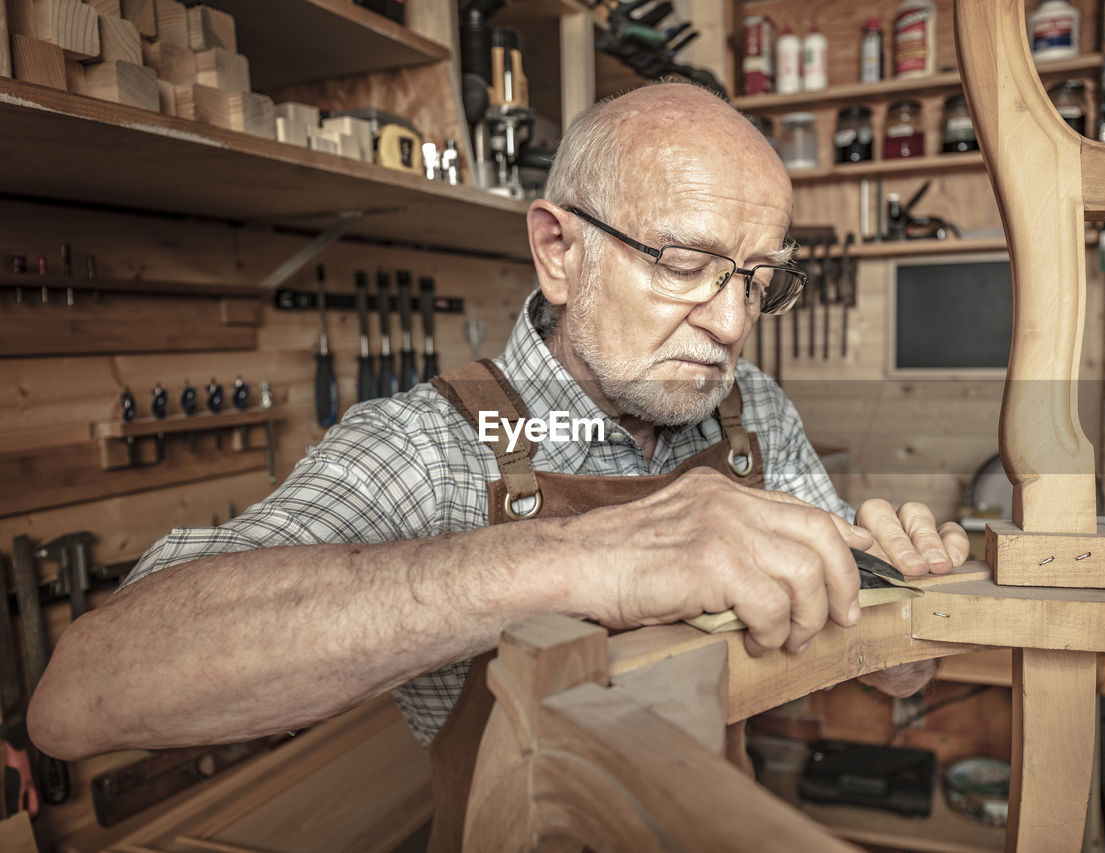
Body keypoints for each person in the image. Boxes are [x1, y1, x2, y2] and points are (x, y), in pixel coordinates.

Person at [28, 82, 968, 762]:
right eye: (683, 264)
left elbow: (867, 659)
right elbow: (84, 693)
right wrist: (582, 555)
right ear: (559, 251)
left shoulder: (754, 409)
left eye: (758, 280)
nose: (730, 325)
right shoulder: (428, 446)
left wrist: (898, 632)